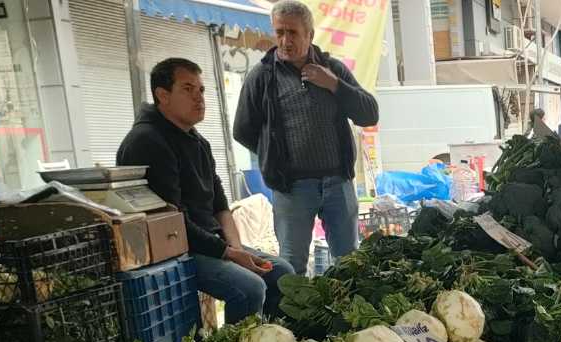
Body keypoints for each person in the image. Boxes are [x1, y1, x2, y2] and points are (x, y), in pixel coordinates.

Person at [119, 58, 295, 325]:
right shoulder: (148, 141)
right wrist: (230, 254)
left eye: (201, 90)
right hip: (175, 251)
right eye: (187, 89)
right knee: (250, 288)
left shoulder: (197, 141)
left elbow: (220, 205)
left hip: (212, 243)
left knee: (282, 271)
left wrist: (236, 248)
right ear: (162, 95)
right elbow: (173, 222)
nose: (199, 98)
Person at [232, 0, 379, 275]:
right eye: (279, 32)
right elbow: (242, 129)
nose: (285, 40)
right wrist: (274, 156)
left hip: (338, 183)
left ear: (310, 35)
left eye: (293, 33)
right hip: (292, 188)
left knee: (349, 263)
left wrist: (334, 84)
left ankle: (348, 315)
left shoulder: (333, 69)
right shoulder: (262, 77)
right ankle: (296, 320)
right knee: (292, 266)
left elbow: (369, 114)